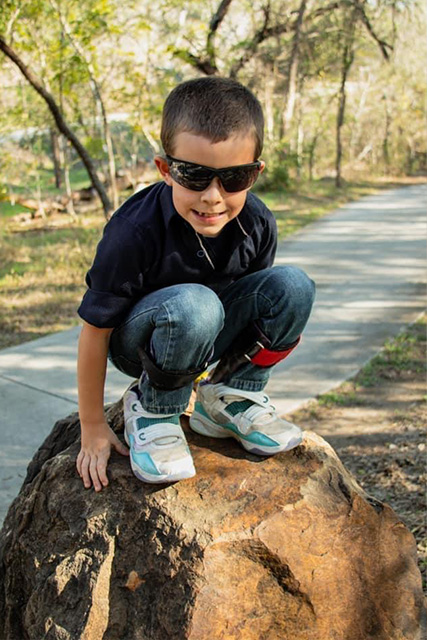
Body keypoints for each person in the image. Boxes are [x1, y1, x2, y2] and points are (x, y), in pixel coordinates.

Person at [76, 76, 315, 492]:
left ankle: (229, 395)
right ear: (166, 169)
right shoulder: (133, 232)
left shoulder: (256, 222)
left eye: (234, 178)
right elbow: (95, 332)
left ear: (255, 174)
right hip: (141, 343)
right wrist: (92, 426)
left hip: (209, 331)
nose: (213, 196)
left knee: (293, 286)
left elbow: (257, 308)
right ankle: (153, 407)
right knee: (196, 303)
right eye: (194, 175)